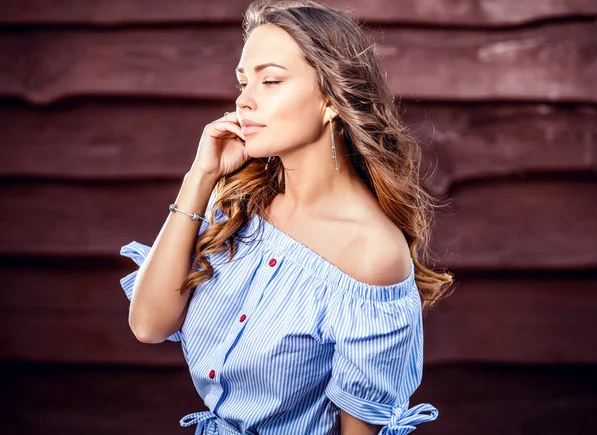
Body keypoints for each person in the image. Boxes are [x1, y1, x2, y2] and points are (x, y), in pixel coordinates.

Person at [119, 1, 453, 434]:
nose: (244, 100)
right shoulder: (239, 198)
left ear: (331, 100)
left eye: (271, 80)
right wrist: (200, 177)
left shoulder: (371, 254)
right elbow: (149, 324)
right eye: (242, 82)